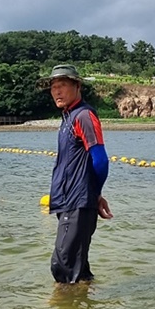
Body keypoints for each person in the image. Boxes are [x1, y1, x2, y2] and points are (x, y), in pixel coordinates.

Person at [39, 64, 113, 283]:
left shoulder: (84, 116)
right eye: (53, 87)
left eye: (62, 85)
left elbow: (100, 160)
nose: (57, 92)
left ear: (77, 86)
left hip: (78, 201)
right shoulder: (67, 118)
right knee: (78, 267)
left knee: (62, 264)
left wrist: (94, 194)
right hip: (69, 200)